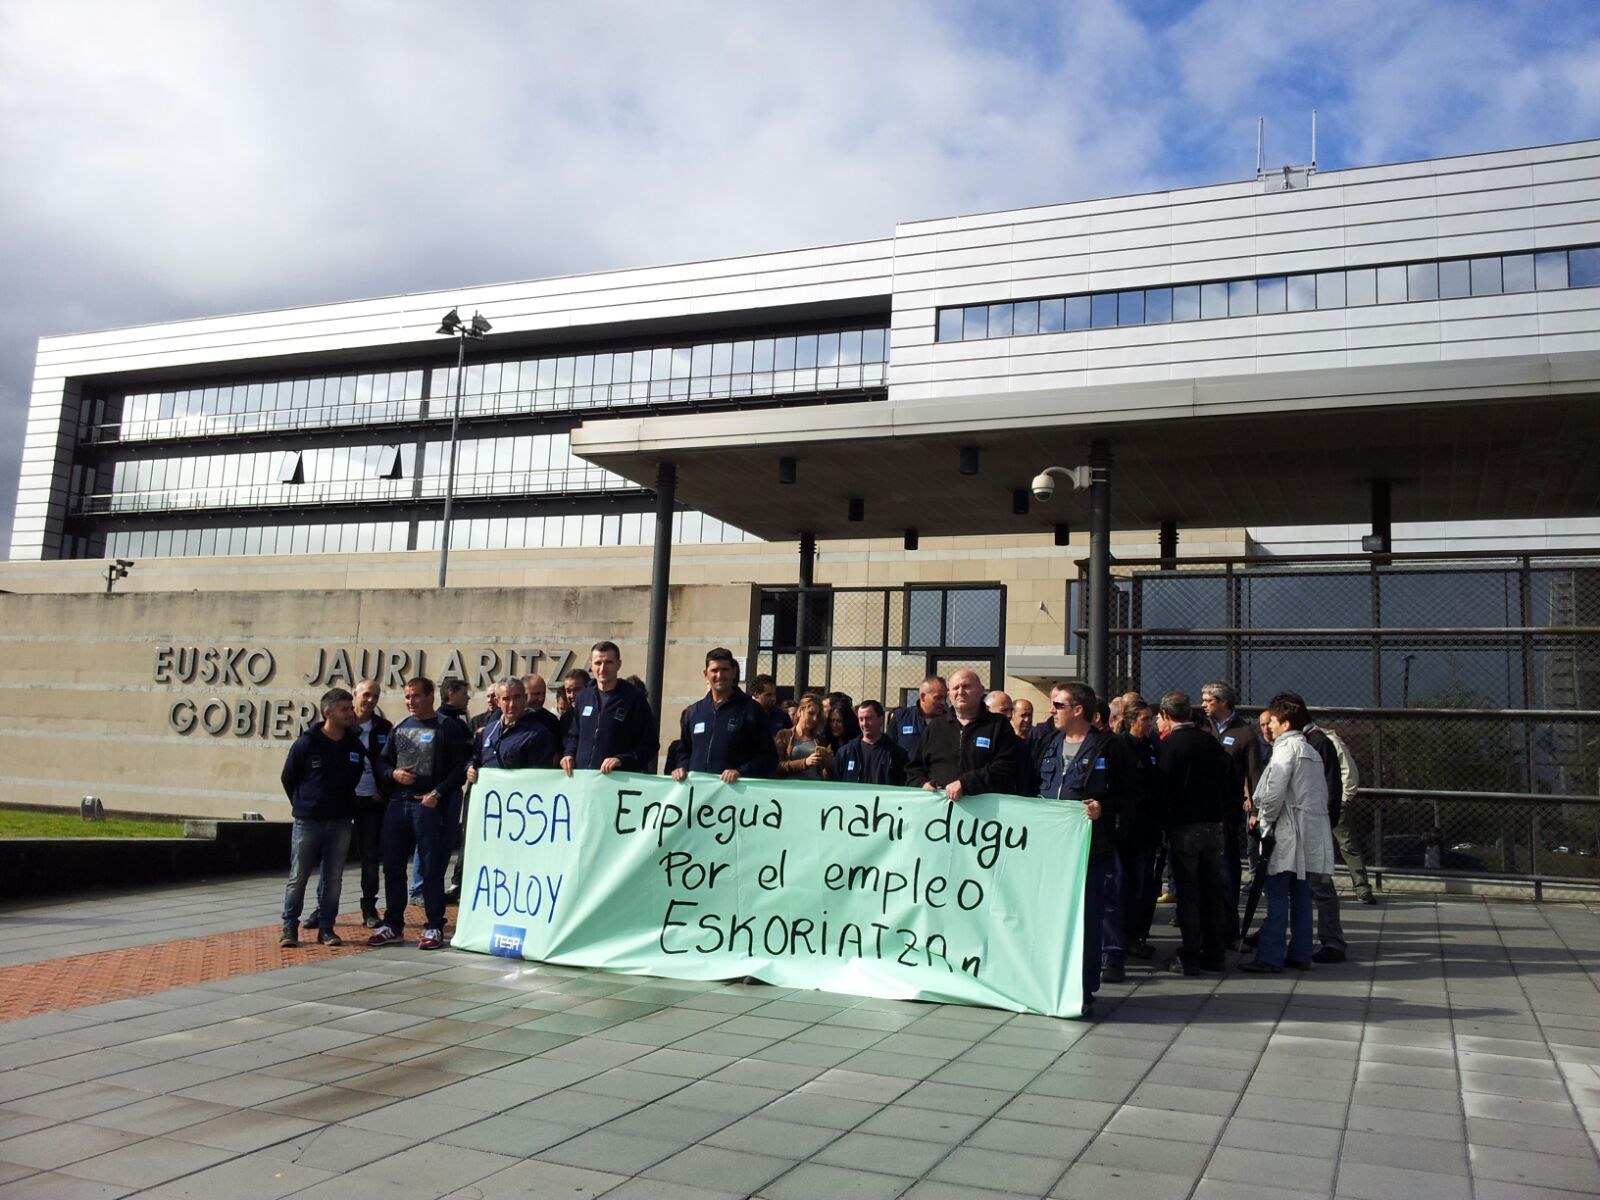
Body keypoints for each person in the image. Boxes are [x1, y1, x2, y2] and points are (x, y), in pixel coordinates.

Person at [1036, 680, 1135, 1011]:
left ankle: (1082, 989)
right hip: (1050, 851)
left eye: (1058, 705)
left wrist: (1102, 808)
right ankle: (1048, 983)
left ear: (1078, 710)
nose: (1051, 711)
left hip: (1090, 852)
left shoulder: (1109, 747)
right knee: (1048, 918)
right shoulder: (1048, 743)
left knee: (1086, 920)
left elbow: (1131, 796)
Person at [370, 676, 472, 951]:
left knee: (430, 868)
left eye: (415, 696)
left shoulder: (446, 727)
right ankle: (393, 924)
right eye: (407, 697)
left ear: (430, 697)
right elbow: (382, 761)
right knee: (392, 866)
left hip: (427, 806)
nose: (410, 702)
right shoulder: (401, 728)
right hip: (397, 804)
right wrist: (393, 773)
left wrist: (437, 794)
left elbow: (460, 767)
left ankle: (434, 926)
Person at [1242, 693, 1334, 974]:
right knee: (1302, 894)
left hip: (1284, 832)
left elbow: (1273, 793)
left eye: (1274, 722)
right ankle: (1300, 952)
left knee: (1278, 894)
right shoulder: (1311, 751)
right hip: (1307, 833)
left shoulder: (1285, 750)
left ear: (1285, 722)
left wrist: (1262, 820)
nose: (1270, 727)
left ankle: (1270, 956)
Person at [1153, 692, 1237, 975]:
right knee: (1212, 889)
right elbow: (1229, 777)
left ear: (1166, 714)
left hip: (1183, 825)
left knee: (1188, 892)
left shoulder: (1170, 746)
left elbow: (1162, 787)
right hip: (1213, 824)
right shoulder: (1211, 743)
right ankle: (1214, 953)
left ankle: (1189, 954)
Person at [279, 687, 365, 948]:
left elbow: (356, 775)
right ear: (328, 712)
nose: (350, 713)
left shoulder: (354, 744)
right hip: (309, 822)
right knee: (299, 876)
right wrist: (304, 804)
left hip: (340, 822)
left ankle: (327, 928)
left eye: (351, 708)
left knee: (333, 878)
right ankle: (289, 928)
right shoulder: (307, 743)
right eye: (345, 709)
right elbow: (288, 777)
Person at [1301, 704, 1363, 962]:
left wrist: (1340, 805)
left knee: (1321, 883)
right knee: (1301, 884)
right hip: (1312, 822)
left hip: (1317, 822)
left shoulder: (1321, 742)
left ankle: (1333, 940)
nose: (1267, 729)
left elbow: (1339, 777)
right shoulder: (1309, 742)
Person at [1200, 681, 1262, 937]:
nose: (1203, 705)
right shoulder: (1203, 728)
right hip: (1202, 810)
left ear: (1224, 702)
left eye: (1209, 700)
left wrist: (1255, 809)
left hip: (1227, 812)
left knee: (1227, 867)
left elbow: (1254, 773)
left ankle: (1229, 927)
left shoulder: (1244, 733)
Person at [905, 669, 1018, 802]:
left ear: (981, 690)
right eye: (955, 688)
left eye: (966, 686)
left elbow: (1005, 767)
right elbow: (914, 770)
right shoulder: (935, 727)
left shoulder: (999, 725)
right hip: (940, 816)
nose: (960, 692)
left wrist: (965, 784)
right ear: (949, 694)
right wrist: (923, 784)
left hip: (986, 814)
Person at [670, 648, 778, 783]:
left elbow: (769, 758)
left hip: (734, 798)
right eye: (714, 670)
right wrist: (682, 767)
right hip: (697, 795)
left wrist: (741, 772)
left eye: (725, 670)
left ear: (733, 672)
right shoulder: (695, 712)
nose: (720, 675)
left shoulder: (752, 710)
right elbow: (684, 751)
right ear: (706, 674)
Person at [561, 641, 659, 775]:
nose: (602, 669)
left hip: (616, 781)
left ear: (619, 664)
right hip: (583, 780)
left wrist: (621, 760)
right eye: (598, 663)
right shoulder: (584, 697)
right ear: (591, 665)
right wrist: (569, 754)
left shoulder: (633, 698)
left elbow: (649, 745)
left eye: (608, 662)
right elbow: (574, 736)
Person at [1118, 701, 1164, 960]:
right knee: (1128, 885)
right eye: (1145, 719)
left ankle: (1136, 935)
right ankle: (1125, 936)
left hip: (1147, 827)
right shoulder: (1122, 746)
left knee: (1143, 885)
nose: (1149, 724)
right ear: (1131, 720)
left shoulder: (1151, 745)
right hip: (1129, 829)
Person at [349, 679, 391, 928]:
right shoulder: (341, 724)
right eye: (366, 694)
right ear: (355, 695)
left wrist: (383, 791)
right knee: (332, 858)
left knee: (370, 857)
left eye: (375, 696)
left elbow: (390, 762)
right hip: (345, 800)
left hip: (373, 801)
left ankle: (369, 907)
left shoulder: (384, 728)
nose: (370, 700)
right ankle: (323, 908)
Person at [469, 675, 558, 777]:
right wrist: (470, 768)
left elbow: (540, 776)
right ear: (498, 702)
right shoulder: (489, 730)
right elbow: (475, 759)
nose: (512, 704)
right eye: (506, 699)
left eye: (517, 697)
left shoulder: (538, 734)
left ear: (525, 698)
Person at [832, 700, 909, 786]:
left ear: (880, 719)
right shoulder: (846, 753)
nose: (864, 723)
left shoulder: (896, 754)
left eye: (868, 718)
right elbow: (835, 785)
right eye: (861, 719)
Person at [887, 675, 948, 764]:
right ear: (923, 697)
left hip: (937, 776)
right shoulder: (901, 718)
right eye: (938, 698)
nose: (943, 702)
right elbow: (889, 749)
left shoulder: (950, 720)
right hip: (906, 776)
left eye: (944, 698)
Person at [986, 690, 1036, 796]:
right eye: (1004, 710)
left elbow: (1025, 784)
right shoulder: (972, 738)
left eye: (1011, 710)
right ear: (987, 710)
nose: (1009, 715)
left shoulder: (1018, 745)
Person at [775, 694, 832, 779]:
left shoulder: (819, 740)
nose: (814, 719)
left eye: (817, 715)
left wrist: (827, 762)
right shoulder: (784, 735)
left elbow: (823, 770)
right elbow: (778, 766)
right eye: (811, 713)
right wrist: (805, 762)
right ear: (799, 712)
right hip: (792, 787)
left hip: (815, 787)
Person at [558, 667, 591, 746]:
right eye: (568, 691)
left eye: (577, 690)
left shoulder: (598, 714)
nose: (572, 695)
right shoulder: (565, 718)